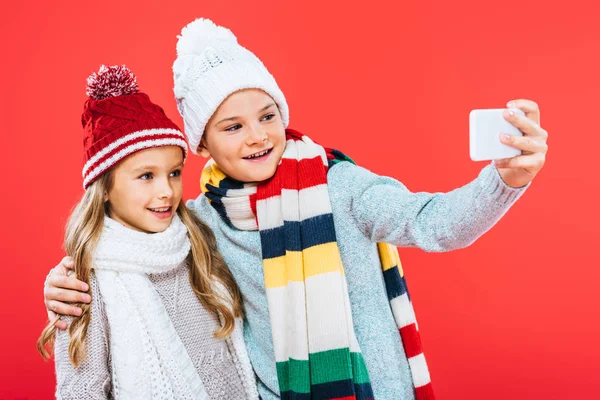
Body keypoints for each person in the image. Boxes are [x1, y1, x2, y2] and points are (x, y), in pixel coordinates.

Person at [43, 19, 548, 400]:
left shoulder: (341, 186)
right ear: (201, 144)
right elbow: (134, 260)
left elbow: (433, 222)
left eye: (267, 116)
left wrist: (504, 180)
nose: (259, 136)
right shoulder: (198, 223)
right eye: (232, 126)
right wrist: (61, 286)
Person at [37, 65, 259, 399]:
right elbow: (81, 388)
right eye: (145, 176)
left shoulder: (198, 239)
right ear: (105, 188)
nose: (166, 192)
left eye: (173, 173)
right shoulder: (85, 284)